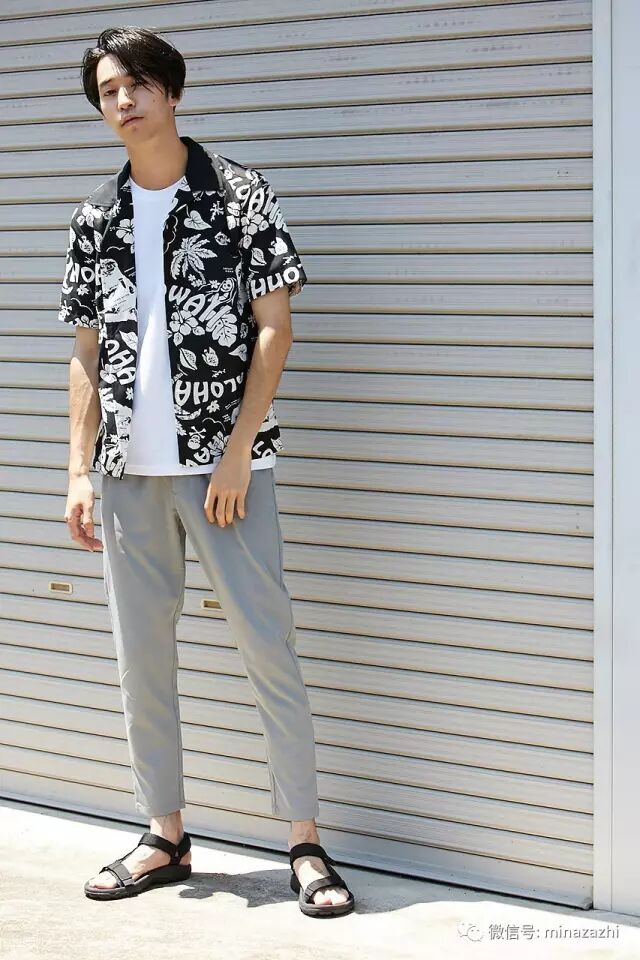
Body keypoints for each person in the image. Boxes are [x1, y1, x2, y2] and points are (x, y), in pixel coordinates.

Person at [59, 25, 354, 917]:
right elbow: (85, 352)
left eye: (137, 84)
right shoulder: (97, 217)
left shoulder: (238, 194)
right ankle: (166, 834)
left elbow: (276, 329)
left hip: (226, 469)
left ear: (172, 91)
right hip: (126, 472)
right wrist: (79, 471)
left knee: (268, 646)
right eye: (108, 91)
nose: (123, 101)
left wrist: (236, 451)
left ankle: (303, 842)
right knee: (141, 658)